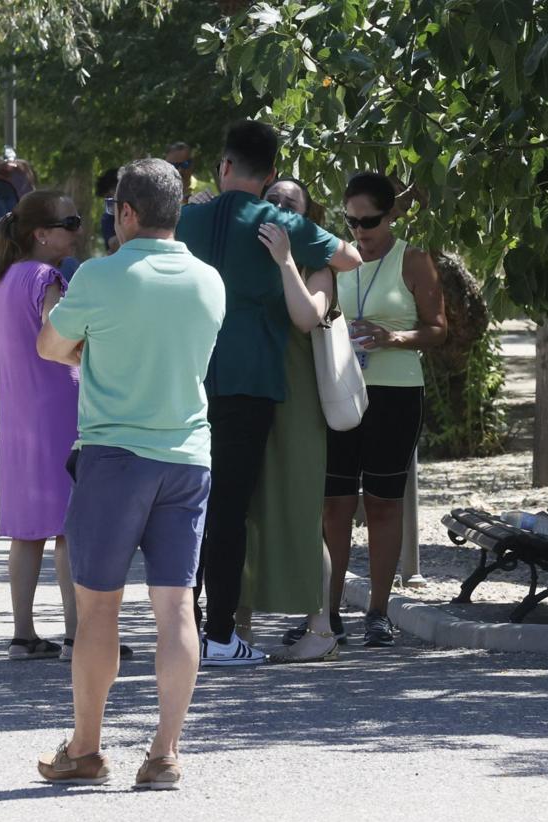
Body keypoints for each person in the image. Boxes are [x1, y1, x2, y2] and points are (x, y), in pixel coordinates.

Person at [36, 158, 225, 789]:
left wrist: (94, 346)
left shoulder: (99, 275)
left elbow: (50, 345)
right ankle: (165, 752)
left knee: (98, 612)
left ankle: (85, 750)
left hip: (115, 458)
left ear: (126, 213)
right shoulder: (209, 281)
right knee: (176, 610)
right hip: (188, 458)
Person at [175, 119, 360, 667]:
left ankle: (180, 626)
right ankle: (220, 634)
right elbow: (349, 257)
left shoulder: (189, 218)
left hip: (188, 378)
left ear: (224, 165)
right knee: (232, 508)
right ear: (272, 173)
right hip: (252, 383)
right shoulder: (277, 222)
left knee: (189, 506)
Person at [322, 172, 445, 647]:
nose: (359, 231)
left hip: (394, 392)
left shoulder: (412, 259)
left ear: (391, 213)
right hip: (339, 391)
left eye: (368, 220)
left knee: (383, 502)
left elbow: (439, 329)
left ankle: (377, 611)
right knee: (334, 503)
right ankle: (327, 612)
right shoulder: (337, 259)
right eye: (350, 220)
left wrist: (396, 337)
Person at [235, 177, 339, 663]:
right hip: (247, 394)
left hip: (296, 402)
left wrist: (285, 262)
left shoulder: (317, 266)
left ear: (305, 216)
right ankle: (236, 626)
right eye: (270, 201)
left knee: (300, 512)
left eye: (289, 204)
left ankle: (321, 629)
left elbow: (305, 317)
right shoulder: (240, 259)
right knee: (243, 509)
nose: (278, 209)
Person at [0, 190, 82, 660]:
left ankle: (23, 634)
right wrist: (89, 352)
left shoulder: (4, 278)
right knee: (68, 525)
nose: (76, 230)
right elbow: (54, 333)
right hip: (57, 407)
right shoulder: (47, 277)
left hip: (18, 412)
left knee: (27, 531)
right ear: (41, 234)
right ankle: (77, 635)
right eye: (69, 222)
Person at [95, 167, 120, 254]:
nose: (109, 201)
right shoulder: (108, 217)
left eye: (110, 196)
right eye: (106, 198)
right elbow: (113, 245)